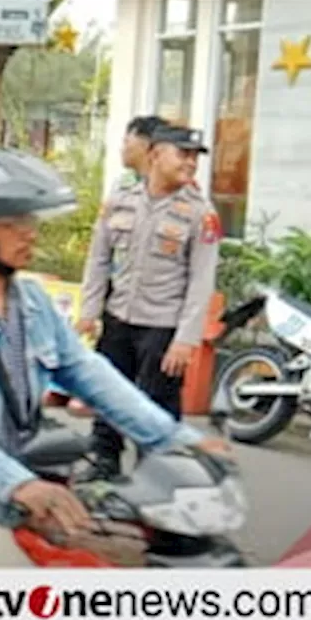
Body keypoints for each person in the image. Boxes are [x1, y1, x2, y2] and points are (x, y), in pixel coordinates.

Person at [0, 149, 231, 590]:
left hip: (25, 483)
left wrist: (179, 439)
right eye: (12, 223)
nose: (30, 233)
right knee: (29, 614)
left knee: (127, 575)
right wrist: (17, 484)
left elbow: (94, 376)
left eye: (30, 220)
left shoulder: (33, 304)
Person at [76, 125, 223, 478]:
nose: (190, 163)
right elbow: (97, 260)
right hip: (118, 317)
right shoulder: (120, 199)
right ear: (156, 155)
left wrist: (186, 339)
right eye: (182, 154)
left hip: (163, 326)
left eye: (194, 157)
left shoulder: (199, 213)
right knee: (109, 393)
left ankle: (157, 474)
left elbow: (201, 280)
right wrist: (89, 311)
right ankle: (104, 460)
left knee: (158, 404)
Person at [113, 115, 169, 190]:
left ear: (145, 144)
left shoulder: (168, 187)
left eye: (126, 142)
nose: (122, 149)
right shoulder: (122, 185)